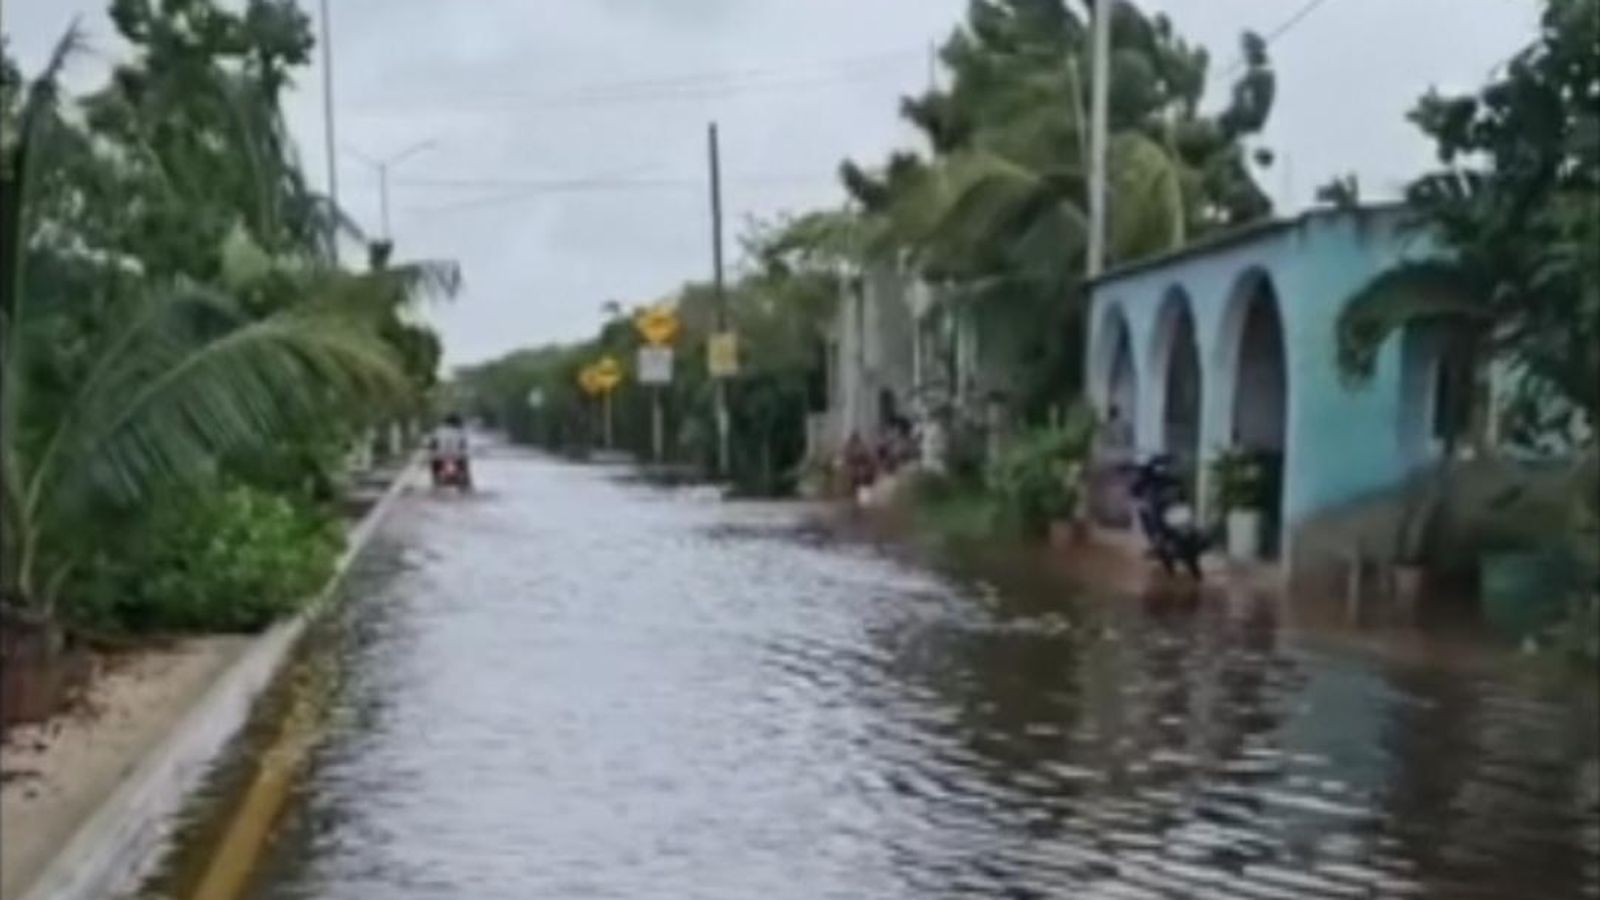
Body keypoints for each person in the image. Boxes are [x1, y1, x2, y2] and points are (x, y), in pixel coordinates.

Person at [429, 413, 471, 487]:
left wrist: (432, 450)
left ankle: (435, 479)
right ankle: (465, 481)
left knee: (434, 464)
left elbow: (433, 444)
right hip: (457, 457)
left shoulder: (438, 431)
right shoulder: (460, 432)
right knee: (464, 466)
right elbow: (464, 446)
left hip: (439, 456)